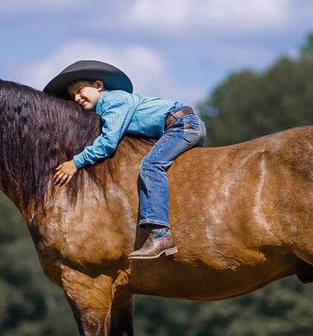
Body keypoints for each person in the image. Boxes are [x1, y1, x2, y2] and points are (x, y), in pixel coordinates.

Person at [44, 60, 206, 260]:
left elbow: (108, 143)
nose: (77, 98)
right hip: (182, 124)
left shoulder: (114, 101)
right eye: (73, 96)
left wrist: (75, 163)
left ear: (99, 86)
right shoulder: (107, 108)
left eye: (79, 90)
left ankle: (160, 234)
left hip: (181, 125)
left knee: (151, 166)